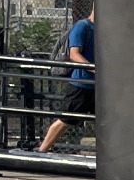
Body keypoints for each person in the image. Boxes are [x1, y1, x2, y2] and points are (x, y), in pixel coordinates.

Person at [38, 10, 96, 153]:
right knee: (66, 120)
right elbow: (74, 54)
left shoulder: (102, 29)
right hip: (80, 84)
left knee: (107, 120)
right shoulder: (82, 26)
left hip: (96, 85)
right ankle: (41, 152)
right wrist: (95, 69)